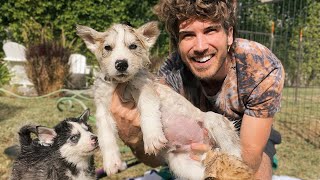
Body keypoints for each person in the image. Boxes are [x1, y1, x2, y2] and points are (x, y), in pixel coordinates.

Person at [111, 0, 284, 179]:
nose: (200, 46)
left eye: (210, 30)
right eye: (188, 35)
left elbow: (249, 157)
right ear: (178, 42)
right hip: (195, 129)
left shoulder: (259, 66)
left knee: (252, 172)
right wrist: (133, 138)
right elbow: (158, 158)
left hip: (246, 128)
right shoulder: (171, 72)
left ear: (229, 34)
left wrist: (216, 158)